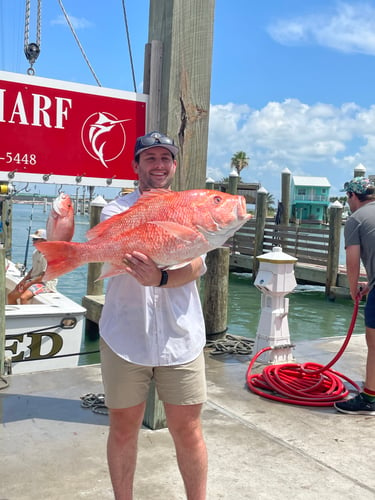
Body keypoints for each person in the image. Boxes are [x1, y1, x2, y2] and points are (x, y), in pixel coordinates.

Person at [99, 131, 208, 499]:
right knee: (123, 427)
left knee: (188, 428)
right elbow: (119, 247)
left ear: (174, 166)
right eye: (150, 159)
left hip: (181, 336)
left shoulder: (189, 207)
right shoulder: (116, 209)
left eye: (166, 159)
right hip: (125, 336)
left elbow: (195, 264)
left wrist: (161, 277)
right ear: (136, 166)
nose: (158, 165)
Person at [334, 177, 375, 415]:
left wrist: (352, 290)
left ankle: (369, 397)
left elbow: (351, 263)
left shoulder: (356, 219)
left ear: (352, 196)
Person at [7, 228, 58, 305]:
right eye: (33, 239)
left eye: (35, 239)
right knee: (11, 296)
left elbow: (44, 277)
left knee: (23, 297)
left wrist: (29, 283)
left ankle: (25, 316)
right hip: (34, 280)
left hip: (45, 283)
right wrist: (23, 281)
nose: (33, 241)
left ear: (44, 240)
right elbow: (34, 269)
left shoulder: (48, 255)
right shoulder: (36, 252)